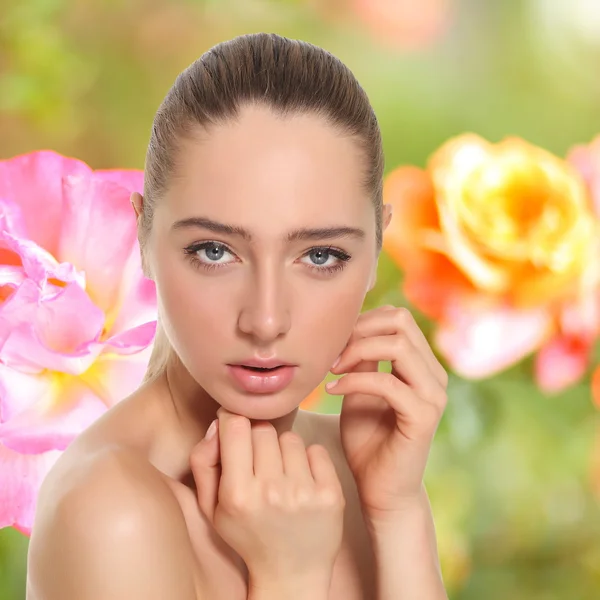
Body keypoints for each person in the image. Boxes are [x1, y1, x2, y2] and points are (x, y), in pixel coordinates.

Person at [26, 32, 449, 600]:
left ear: (376, 249)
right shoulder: (109, 512)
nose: (266, 320)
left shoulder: (361, 468)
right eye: (215, 251)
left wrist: (397, 511)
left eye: (321, 255)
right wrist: (289, 577)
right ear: (145, 236)